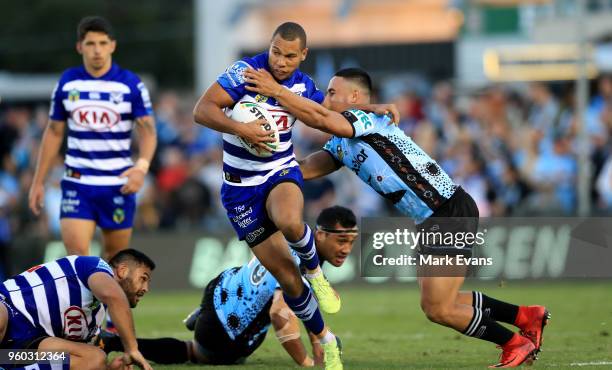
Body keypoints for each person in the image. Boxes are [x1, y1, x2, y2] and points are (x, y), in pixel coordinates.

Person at [243, 67, 550, 368]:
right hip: (431, 218)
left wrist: (276, 91)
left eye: (333, 92)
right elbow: (306, 167)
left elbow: (322, 118)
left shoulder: (366, 118)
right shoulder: (341, 141)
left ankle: (514, 343)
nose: (327, 97)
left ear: (354, 97)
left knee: (438, 308)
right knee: (439, 302)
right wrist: (263, 162)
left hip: (446, 210)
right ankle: (526, 317)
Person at [193, 21, 395, 370]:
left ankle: (316, 274)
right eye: (275, 52)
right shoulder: (244, 73)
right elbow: (203, 110)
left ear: (303, 55)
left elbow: (325, 114)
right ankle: (326, 339)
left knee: (289, 220)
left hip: (279, 171)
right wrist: (242, 129)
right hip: (239, 191)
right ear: (269, 46)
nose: (281, 61)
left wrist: (370, 111)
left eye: (289, 56)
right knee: (287, 278)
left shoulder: (303, 85)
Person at [98, 206, 359, 367]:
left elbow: (303, 301)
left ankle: (199, 317)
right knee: (203, 355)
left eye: (351, 242)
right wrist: (305, 362)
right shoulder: (302, 265)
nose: (346, 249)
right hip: (226, 323)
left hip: (223, 286)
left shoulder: (297, 242)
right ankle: (113, 342)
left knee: (200, 346)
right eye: (342, 241)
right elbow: (280, 316)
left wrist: (317, 339)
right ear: (321, 235)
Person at [28, 16, 157, 261]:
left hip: (118, 182)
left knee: (115, 260)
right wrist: (38, 181)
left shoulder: (130, 85)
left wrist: (141, 168)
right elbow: (54, 132)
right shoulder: (68, 82)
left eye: (102, 43)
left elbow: (148, 132)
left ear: (112, 46)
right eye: (90, 44)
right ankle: (85, 301)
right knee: (78, 259)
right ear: (80, 47)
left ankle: (107, 301)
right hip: (78, 181)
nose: (97, 50)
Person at [0, 249, 155, 370]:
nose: (146, 288)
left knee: (94, 358)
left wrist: (108, 368)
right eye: (143, 278)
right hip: (7, 306)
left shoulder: (96, 315)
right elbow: (113, 295)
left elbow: (67, 359)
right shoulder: (94, 266)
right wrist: (132, 348)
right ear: (122, 271)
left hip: (14, 353)